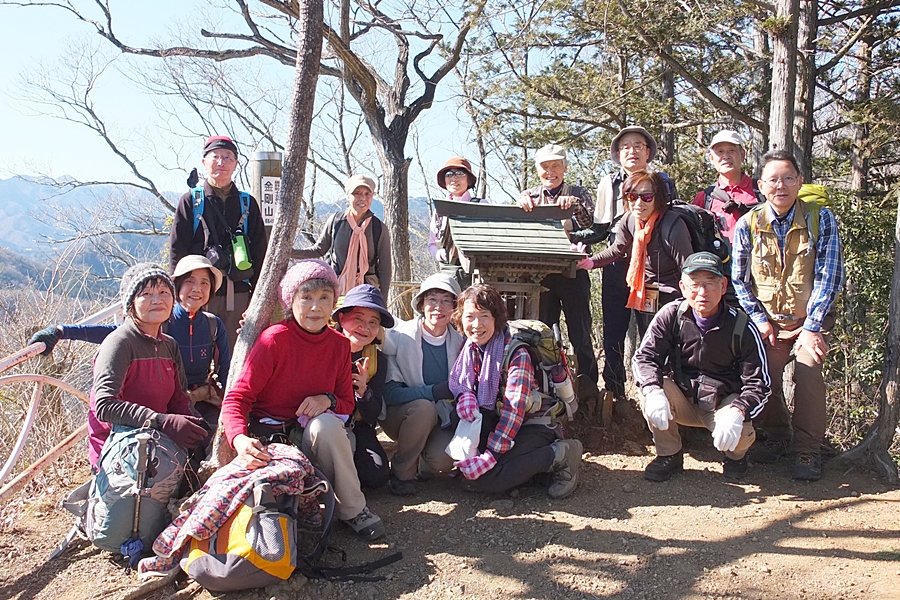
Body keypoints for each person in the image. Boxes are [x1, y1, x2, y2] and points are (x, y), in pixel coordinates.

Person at [220, 259, 385, 540]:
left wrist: (328, 400)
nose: (315, 307)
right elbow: (237, 398)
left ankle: (353, 510)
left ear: (333, 304)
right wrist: (239, 439)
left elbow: (346, 403)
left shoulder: (338, 345)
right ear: (291, 301)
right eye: (306, 297)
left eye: (324, 298)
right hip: (272, 439)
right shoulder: (273, 340)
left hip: (312, 438)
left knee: (327, 425)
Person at [731, 150, 844, 481]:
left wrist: (812, 327)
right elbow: (739, 280)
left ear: (799, 181)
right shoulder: (749, 224)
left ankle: (808, 449)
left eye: (788, 178)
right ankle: (778, 435)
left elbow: (829, 276)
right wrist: (760, 320)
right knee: (762, 373)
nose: (780, 186)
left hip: (810, 320)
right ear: (761, 185)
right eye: (773, 180)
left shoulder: (820, 219)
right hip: (769, 321)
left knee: (808, 374)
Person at [29, 255, 231, 431]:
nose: (197, 289)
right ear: (177, 286)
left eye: (205, 283)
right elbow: (116, 334)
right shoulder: (160, 321)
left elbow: (225, 370)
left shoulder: (210, 326)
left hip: (193, 400)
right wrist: (63, 331)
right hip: (156, 413)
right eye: (190, 281)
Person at [632, 252, 770, 481]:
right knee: (650, 390)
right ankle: (669, 454)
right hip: (683, 398)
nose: (702, 292)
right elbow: (644, 358)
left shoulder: (742, 326)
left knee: (741, 433)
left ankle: (735, 457)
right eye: (694, 284)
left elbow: (759, 384)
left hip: (723, 404)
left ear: (723, 286)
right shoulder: (671, 315)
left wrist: (738, 411)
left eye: (710, 283)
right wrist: (654, 391)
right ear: (682, 287)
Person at [448, 284, 582, 497]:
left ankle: (560, 454)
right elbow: (464, 387)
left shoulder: (516, 354)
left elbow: (514, 409)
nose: (476, 325)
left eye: (484, 316)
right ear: (460, 319)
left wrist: (490, 457)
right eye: (469, 317)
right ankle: (521, 468)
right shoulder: (470, 349)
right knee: (458, 416)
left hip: (534, 423)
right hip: (499, 417)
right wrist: (465, 395)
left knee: (489, 479)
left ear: (496, 319)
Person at [587, 125, 679, 404]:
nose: (632, 151)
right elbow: (600, 228)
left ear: (648, 152)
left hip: (652, 268)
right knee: (613, 331)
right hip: (617, 265)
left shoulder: (662, 181)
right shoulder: (609, 183)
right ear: (618, 154)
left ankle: (656, 392)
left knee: (652, 330)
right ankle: (614, 393)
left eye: (638, 146)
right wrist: (576, 246)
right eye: (626, 147)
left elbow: (671, 218)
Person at [88, 263, 208, 468]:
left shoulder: (169, 345)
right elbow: (105, 405)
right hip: (118, 455)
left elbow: (178, 399)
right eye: (146, 294)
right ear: (131, 303)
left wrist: (197, 425)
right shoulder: (120, 343)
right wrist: (160, 420)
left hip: (159, 444)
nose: (157, 300)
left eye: (164, 292)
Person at [516, 143, 599, 398]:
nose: (550, 172)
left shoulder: (578, 193)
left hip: (573, 272)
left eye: (555, 166)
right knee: (541, 331)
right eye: (545, 167)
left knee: (580, 331)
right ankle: (544, 385)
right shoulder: (529, 195)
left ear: (565, 168)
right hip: (540, 276)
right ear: (537, 170)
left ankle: (588, 387)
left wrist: (575, 206)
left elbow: (594, 226)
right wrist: (519, 207)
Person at [169, 136, 268, 350]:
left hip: (239, 293)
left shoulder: (247, 203)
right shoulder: (191, 201)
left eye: (227, 157)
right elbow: (178, 250)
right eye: (215, 157)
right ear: (204, 162)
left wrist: (258, 298)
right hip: (199, 292)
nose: (221, 162)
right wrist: (177, 293)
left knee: (236, 353)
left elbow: (260, 252)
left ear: (236, 164)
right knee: (196, 352)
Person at [577, 170, 693, 337]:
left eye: (646, 197)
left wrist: (692, 304)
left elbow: (689, 269)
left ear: (658, 198)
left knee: (671, 346)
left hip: (674, 298)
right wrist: (590, 262)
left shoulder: (673, 226)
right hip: (647, 294)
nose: (638, 203)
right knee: (650, 343)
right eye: (632, 196)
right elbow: (617, 249)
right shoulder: (630, 220)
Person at [380, 273, 464, 496]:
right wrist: (433, 392)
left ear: (455, 308)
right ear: (421, 304)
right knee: (424, 407)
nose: (439, 307)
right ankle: (402, 473)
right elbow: (390, 393)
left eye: (446, 301)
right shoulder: (399, 337)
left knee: (442, 460)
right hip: (402, 416)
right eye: (432, 299)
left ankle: (422, 461)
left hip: (441, 417)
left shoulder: (460, 343)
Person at [332, 284, 394, 490]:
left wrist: (363, 391)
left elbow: (372, 415)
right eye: (358, 318)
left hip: (356, 425)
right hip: (322, 424)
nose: (365, 327)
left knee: (376, 475)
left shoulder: (377, 360)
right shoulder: (323, 347)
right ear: (342, 318)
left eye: (373, 322)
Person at [292, 174, 392, 296]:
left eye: (367, 194)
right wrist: (289, 252)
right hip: (336, 287)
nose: (363, 198)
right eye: (357, 193)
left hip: (367, 291)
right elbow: (318, 250)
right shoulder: (336, 222)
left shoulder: (378, 228)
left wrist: (382, 301)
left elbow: (385, 268)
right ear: (348, 196)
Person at [692, 130, 764, 243]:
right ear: (711, 158)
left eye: (731, 150)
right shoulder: (704, 198)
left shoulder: (762, 191)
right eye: (720, 151)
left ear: (742, 155)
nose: (726, 156)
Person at [428, 157, 483, 264]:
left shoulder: (481, 205)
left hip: (478, 266)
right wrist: (440, 254)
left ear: (469, 180)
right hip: (448, 268)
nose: (454, 178)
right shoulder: (440, 209)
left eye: (459, 173)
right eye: (449, 174)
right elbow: (432, 243)